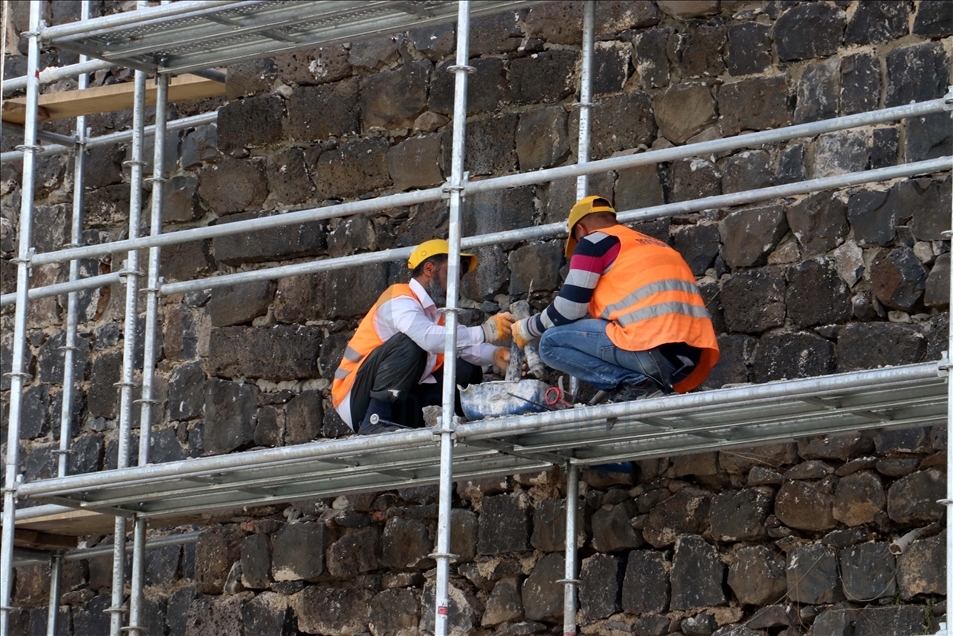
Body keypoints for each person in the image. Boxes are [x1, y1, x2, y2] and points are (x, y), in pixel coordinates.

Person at [511, 195, 719, 403]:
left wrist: (526, 329)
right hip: (687, 363)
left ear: (580, 230)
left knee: (551, 342)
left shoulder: (593, 241)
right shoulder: (658, 246)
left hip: (652, 354)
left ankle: (637, 383)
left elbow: (569, 310)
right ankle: (642, 384)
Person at [332, 239, 514, 434]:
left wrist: (496, 354)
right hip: (355, 397)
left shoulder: (434, 316)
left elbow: (462, 346)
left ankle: (445, 424)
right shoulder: (399, 297)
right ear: (429, 269)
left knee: (466, 369)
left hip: (397, 400)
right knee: (410, 342)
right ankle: (375, 421)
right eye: (452, 275)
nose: (458, 285)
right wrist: (486, 331)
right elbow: (427, 338)